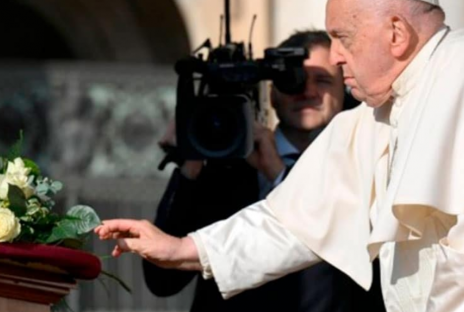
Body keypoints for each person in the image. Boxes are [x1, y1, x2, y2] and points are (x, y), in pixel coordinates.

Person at [96, 0, 464, 312]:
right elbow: (293, 221)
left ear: (397, 34)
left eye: (343, 38)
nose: (336, 56)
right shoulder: (378, 113)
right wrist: (187, 249)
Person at [145, 31, 379, 312]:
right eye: (291, 80)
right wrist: (192, 162)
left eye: (323, 80)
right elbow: (162, 281)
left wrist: (280, 177)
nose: (307, 90)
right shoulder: (228, 169)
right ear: (273, 94)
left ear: (344, 91)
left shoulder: (364, 165)